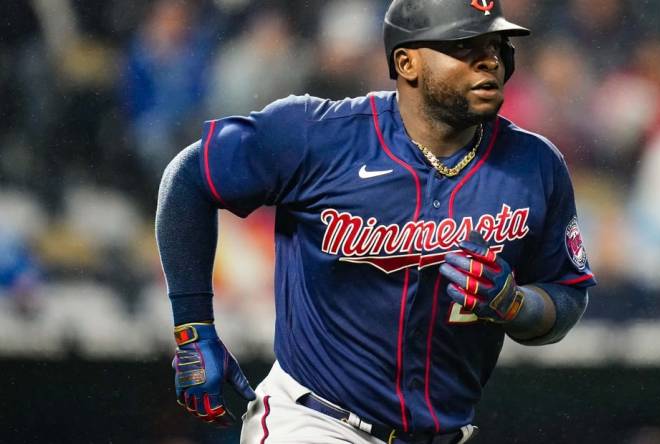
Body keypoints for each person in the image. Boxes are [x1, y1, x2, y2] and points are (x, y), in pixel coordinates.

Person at [155, 1, 596, 443]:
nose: (490, 60)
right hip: (317, 421)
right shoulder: (321, 135)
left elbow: (566, 296)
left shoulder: (535, 164)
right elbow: (190, 177)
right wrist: (193, 329)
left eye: (497, 45)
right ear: (407, 62)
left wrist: (517, 305)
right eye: (465, 45)